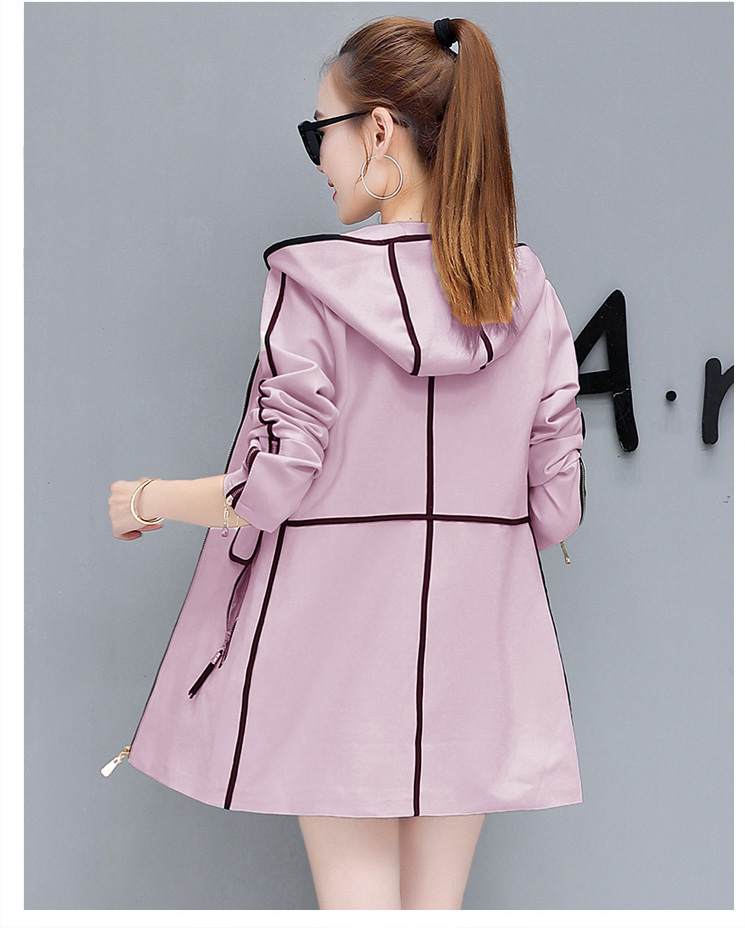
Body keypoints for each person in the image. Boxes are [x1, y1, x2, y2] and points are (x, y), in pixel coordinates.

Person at [104, 15, 587, 911]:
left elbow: (272, 486)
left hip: (334, 646)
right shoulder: (530, 296)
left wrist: (146, 497)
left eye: (319, 130)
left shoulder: (312, 287)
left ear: (379, 131)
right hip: (479, 650)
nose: (319, 158)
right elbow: (557, 511)